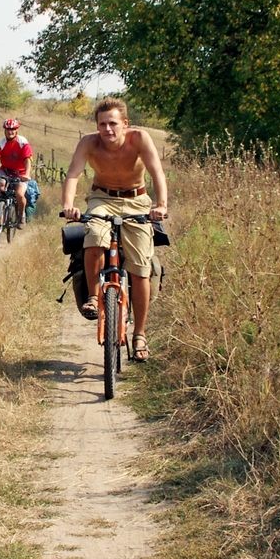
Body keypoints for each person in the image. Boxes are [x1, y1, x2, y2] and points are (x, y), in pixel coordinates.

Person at [60, 97, 170, 362]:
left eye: (113, 123)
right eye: (102, 124)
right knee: (94, 234)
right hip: (102, 197)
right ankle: (94, 298)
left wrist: (161, 205)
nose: (108, 129)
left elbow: (157, 172)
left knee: (140, 268)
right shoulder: (88, 143)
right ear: (96, 126)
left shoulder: (140, 139)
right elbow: (74, 174)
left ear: (125, 124)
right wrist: (68, 205)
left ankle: (139, 335)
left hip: (137, 199)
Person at [0, 118, 40, 224]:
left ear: (16, 130)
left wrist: (26, 173)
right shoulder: (1, 143)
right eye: (8, 129)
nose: (10, 132)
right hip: (6, 171)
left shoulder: (23, 143)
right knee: (0, 189)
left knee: (19, 194)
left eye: (12, 129)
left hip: (20, 173)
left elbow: (27, 159)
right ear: (4, 130)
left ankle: (22, 215)